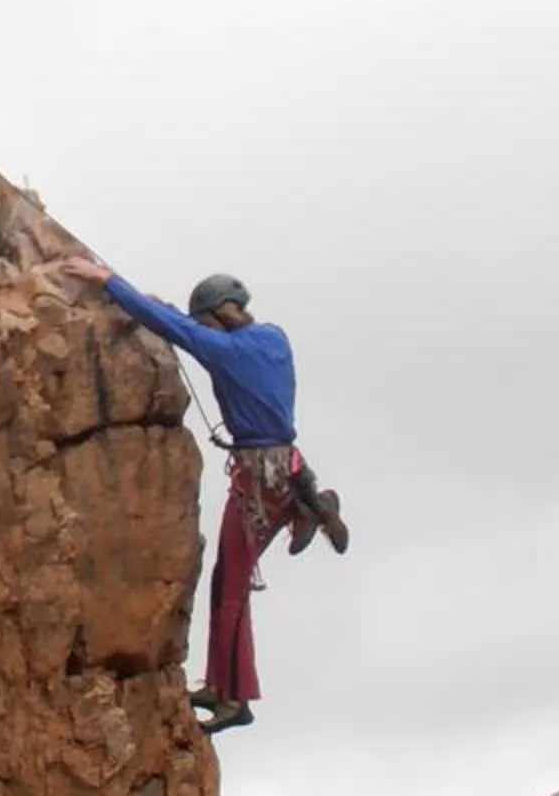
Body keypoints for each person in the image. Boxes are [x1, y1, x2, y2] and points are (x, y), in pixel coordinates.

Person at [57, 258, 347, 735]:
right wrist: (171, 311)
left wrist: (108, 281)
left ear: (215, 318)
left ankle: (234, 699)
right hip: (284, 465)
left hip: (259, 479)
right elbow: (186, 326)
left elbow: (174, 329)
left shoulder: (223, 352)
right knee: (224, 581)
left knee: (230, 587)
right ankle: (308, 504)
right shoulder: (274, 337)